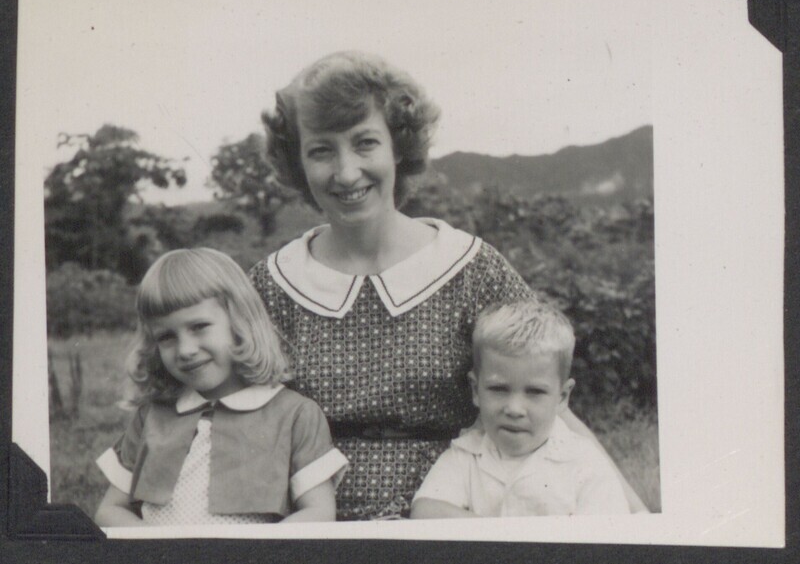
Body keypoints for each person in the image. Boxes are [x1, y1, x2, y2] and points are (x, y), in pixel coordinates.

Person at [250, 50, 645, 520]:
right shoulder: (272, 285)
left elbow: (547, 391)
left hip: (458, 518)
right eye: (321, 150)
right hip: (312, 525)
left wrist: (637, 517)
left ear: (398, 146)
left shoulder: (470, 267)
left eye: (365, 143)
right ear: (297, 163)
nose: (347, 171)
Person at [94, 248, 348, 526]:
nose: (186, 350)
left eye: (199, 326)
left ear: (240, 322)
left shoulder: (295, 414)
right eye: (167, 336)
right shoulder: (153, 417)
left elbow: (319, 513)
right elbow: (109, 511)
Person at [410, 300, 629, 518]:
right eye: (498, 389)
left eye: (534, 392)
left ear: (562, 397)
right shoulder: (466, 456)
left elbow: (606, 538)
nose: (514, 409)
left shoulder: (583, 463)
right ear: (476, 390)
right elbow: (425, 511)